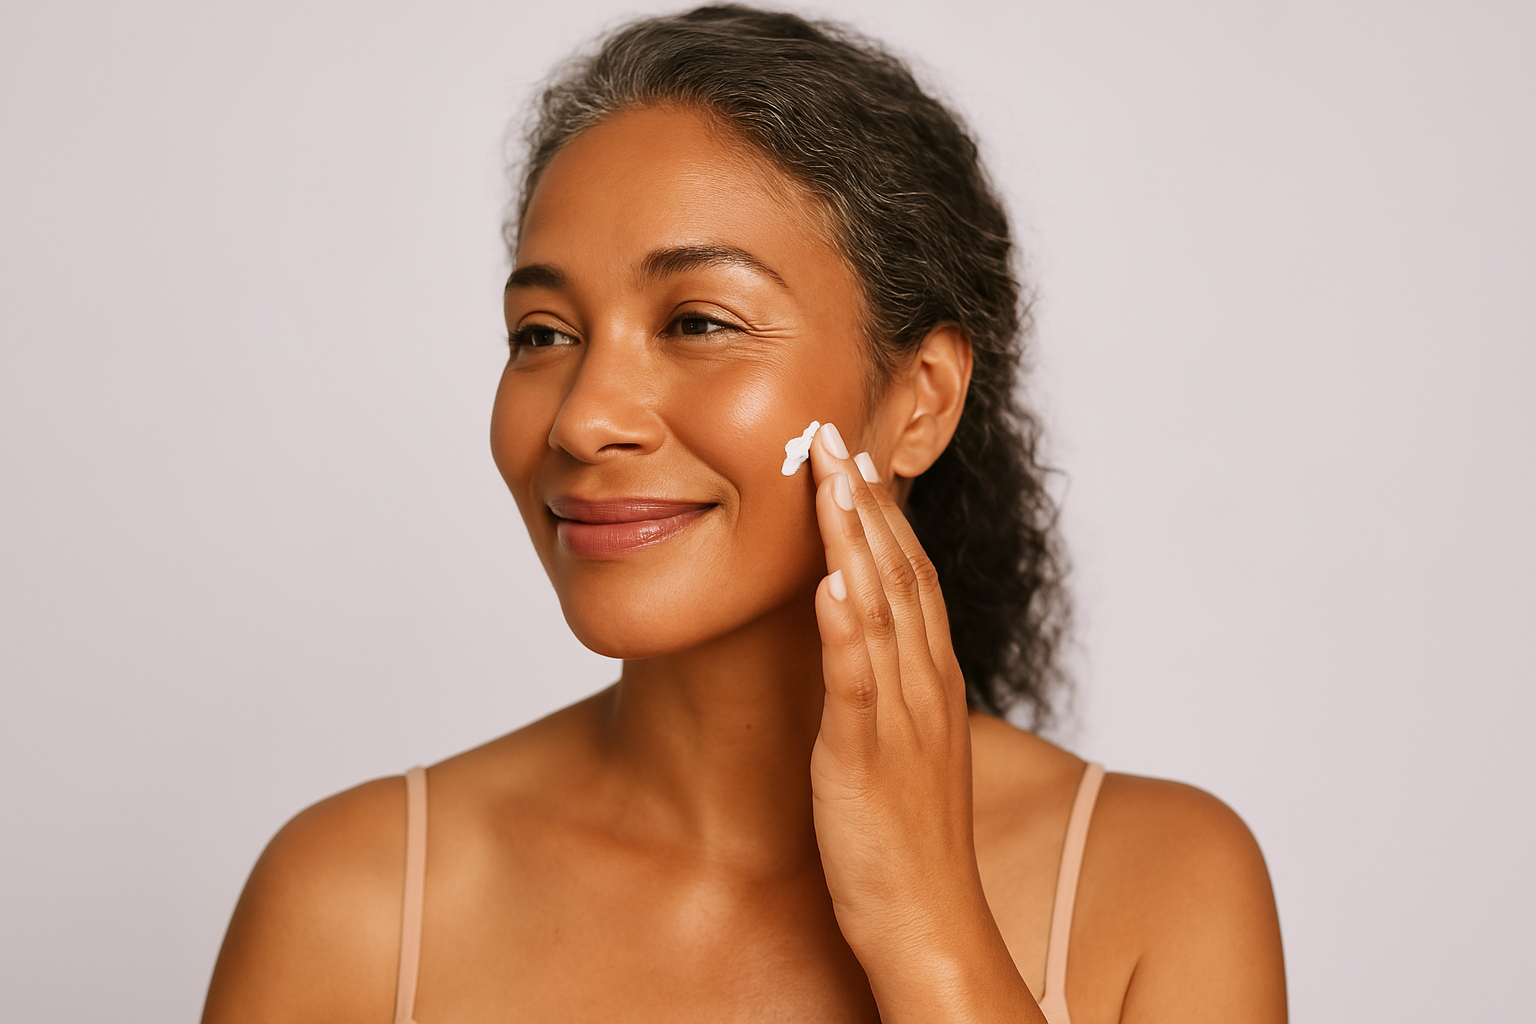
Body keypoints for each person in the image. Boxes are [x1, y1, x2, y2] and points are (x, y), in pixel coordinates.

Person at [202, 6, 1287, 1022]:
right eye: (542, 333)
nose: (582, 421)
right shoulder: (351, 901)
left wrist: (929, 929)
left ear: (920, 401)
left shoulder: (1163, 885)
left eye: (698, 320)